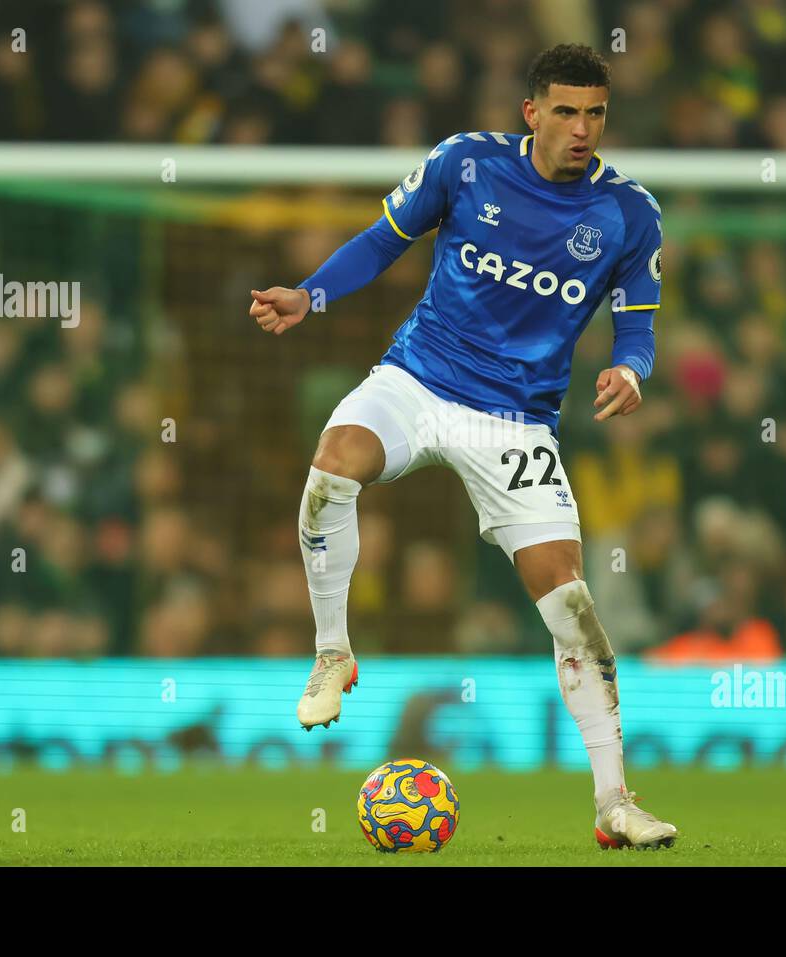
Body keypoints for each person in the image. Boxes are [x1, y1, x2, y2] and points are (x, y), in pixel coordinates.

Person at [249, 43, 674, 849]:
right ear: (531, 112)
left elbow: (638, 324)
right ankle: (333, 653)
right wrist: (310, 294)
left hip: (515, 421)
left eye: (596, 114)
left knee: (573, 606)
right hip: (418, 377)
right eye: (566, 112)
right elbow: (383, 239)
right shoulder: (466, 164)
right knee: (332, 464)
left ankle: (615, 802)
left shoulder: (629, 212)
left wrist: (631, 367)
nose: (582, 129)